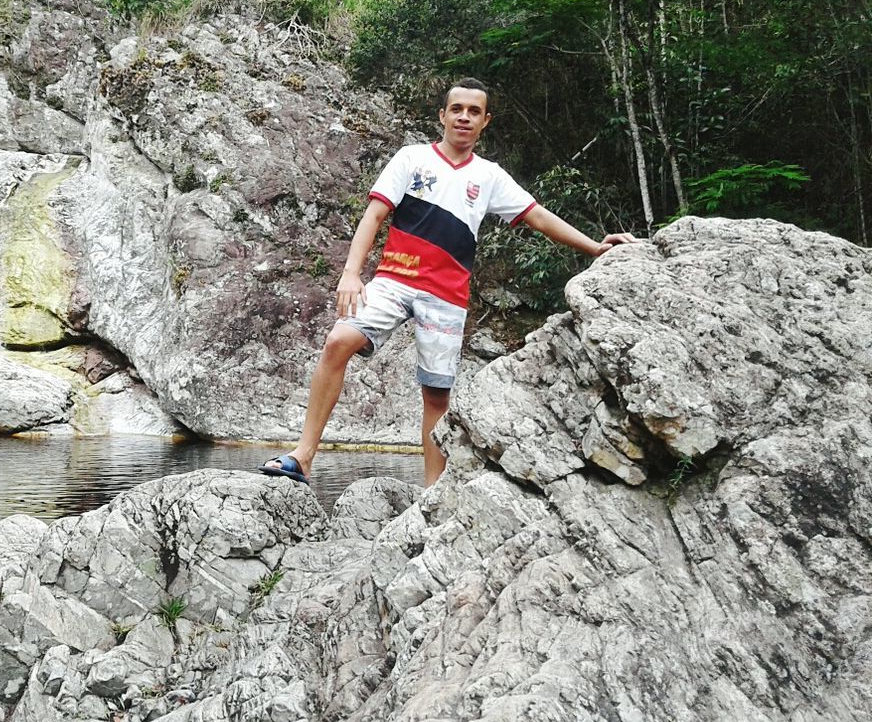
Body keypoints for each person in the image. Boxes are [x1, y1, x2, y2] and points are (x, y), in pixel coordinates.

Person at [258, 77, 637, 488]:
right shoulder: (412, 158)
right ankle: (303, 456)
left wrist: (595, 248)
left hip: (446, 296)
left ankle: (431, 494)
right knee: (337, 341)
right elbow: (374, 215)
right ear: (442, 115)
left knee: (436, 394)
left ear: (485, 121)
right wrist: (351, 273)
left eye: (474, 111)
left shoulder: (489, 176)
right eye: (457, 109)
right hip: (394, 280)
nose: (464, 117)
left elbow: (538, 216)